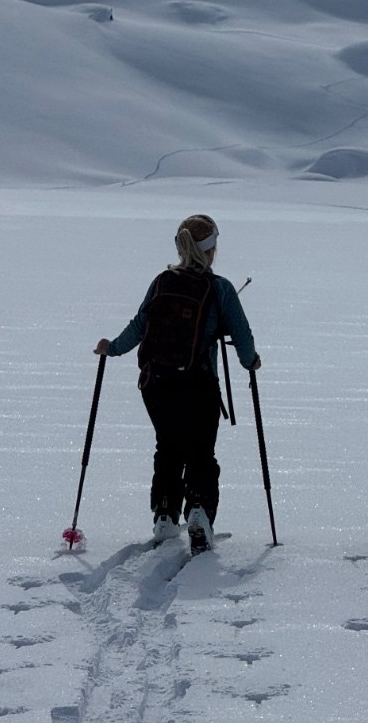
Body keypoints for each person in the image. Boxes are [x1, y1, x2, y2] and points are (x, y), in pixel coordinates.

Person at [95, 214, 260, 555]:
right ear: (210, 249)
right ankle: (199, 512)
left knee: (168, 447)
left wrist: (112, 348)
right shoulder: (220, 288)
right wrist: (251, 362)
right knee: (201, 451)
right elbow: (242, 336)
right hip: (199, 383)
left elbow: (139, 325)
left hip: (156, 383)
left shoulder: (162, 281)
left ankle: (165, 516)